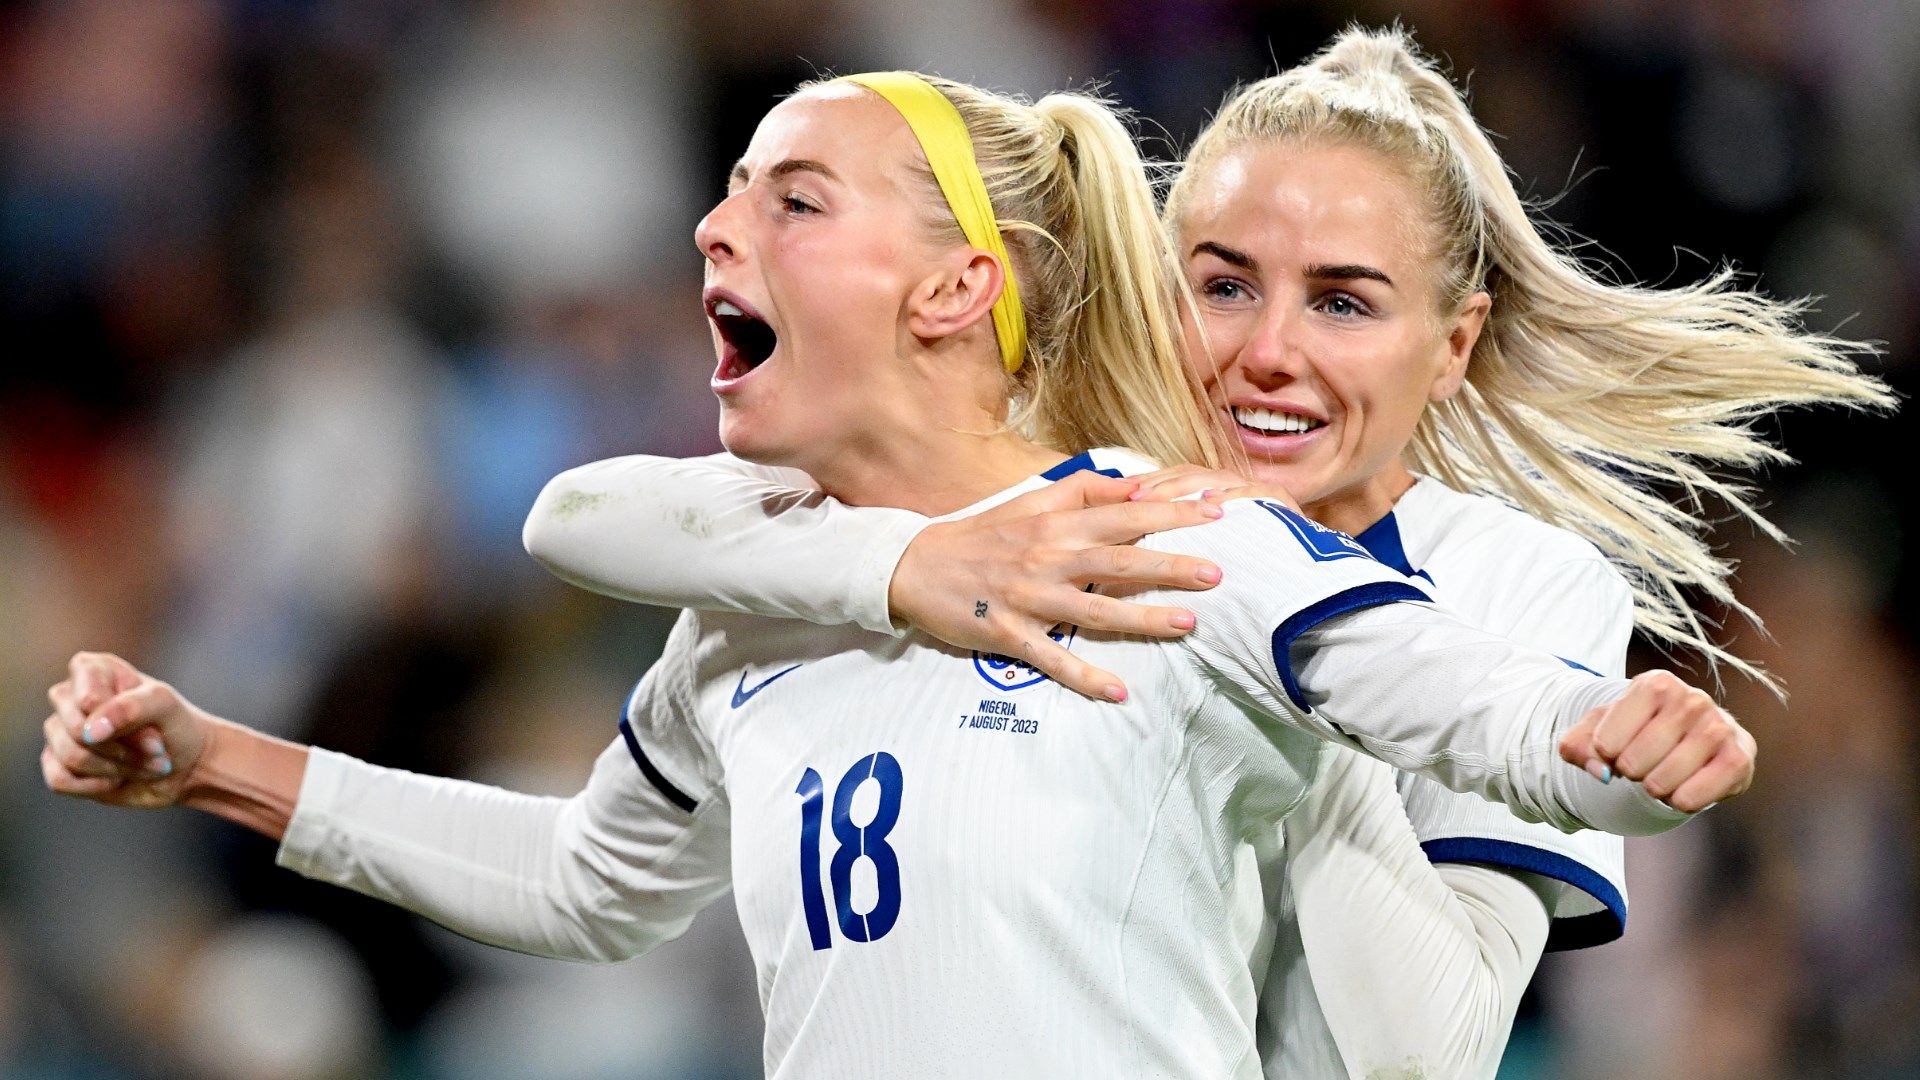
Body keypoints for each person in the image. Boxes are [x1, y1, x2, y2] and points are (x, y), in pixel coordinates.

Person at [42, 69, 1754, 1079]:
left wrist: (1611, 741)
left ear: (954, 289)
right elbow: (586, 876)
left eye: (793, 201)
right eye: (725, 196)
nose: (716, 230)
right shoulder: (759, 607)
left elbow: (1463, 699)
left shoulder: (1175, 545)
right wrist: (214, 763)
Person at [517, 30, 1889, 1078]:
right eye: (1223, 284)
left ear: (1453, 343)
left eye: (1342, 302)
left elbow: (1430, 1054)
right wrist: (890, 573)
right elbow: (602, 514)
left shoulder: (1512, 582)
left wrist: (1299, 664)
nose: (1267, 352)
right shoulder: (1066, 502)